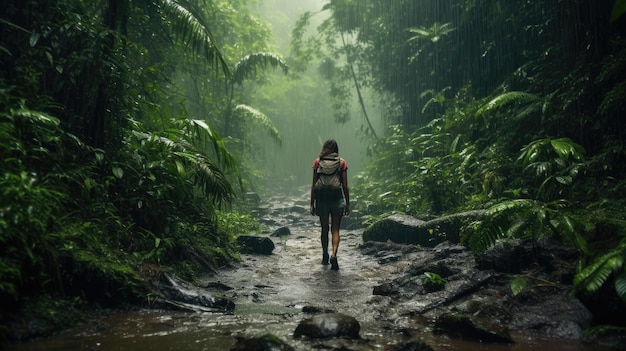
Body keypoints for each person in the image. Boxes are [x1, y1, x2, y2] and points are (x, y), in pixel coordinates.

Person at [310, 139, 350, 271]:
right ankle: (334, 254)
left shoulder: (318, 162)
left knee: (324, 229)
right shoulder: (341, 163)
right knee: (335, 229)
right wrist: (347, 203)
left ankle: (324, 255)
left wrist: (312, 203)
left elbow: (314, 185)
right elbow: (345, 186)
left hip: (322, 199)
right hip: (336, 198)